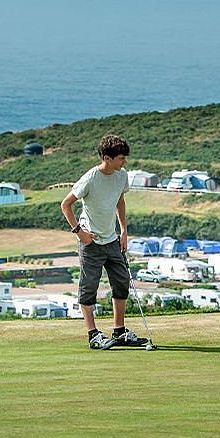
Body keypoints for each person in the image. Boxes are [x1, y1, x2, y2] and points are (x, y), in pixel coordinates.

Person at [60, 134, 145, 349]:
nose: (124, 162)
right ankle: (93, 335)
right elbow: (66, 205)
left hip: (112, 240)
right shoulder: (90, 178)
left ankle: (119, 332)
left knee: (121, 282)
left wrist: (124, 230)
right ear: (106, 158)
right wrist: (80, 233)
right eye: (120, 158)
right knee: (89, 288)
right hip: (91, 242)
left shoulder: (121, 175)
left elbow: (120, 200)